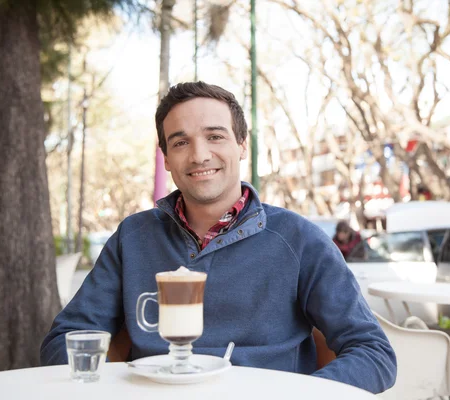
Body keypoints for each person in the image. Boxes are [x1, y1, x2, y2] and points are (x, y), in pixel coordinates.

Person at [40, 82, 396, 393]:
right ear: (166, 158)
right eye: (181, 142)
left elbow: (373, 353)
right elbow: (66, 340)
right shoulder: (133, 238)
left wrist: (302, 395)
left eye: (215, 136)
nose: (199, 155)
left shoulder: (299, 239)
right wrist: (118, 388)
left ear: (242, 144)